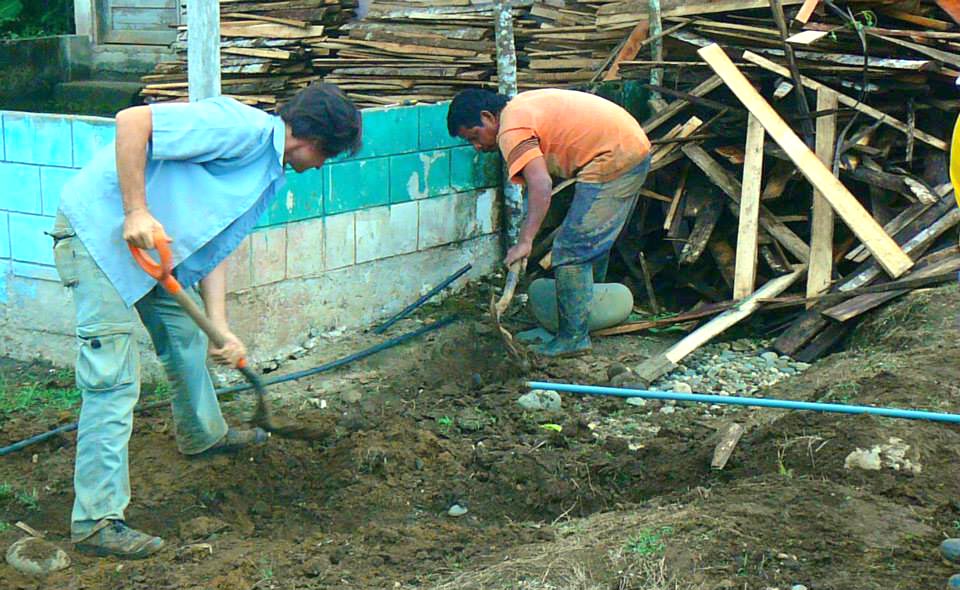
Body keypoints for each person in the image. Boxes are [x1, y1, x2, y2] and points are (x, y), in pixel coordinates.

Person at [49, 83, 361, 559]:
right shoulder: (242, 129)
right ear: (313, 139)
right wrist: (136, 210)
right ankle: (97, 522)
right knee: (112, 380)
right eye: (327, 157)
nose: (320, 167)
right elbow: (133, 121)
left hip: (152, 256)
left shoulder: (268, 173)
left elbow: (213, 246)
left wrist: (219, 323)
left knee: (188, 339)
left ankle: (202, 434)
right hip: (100, 237)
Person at [446, 88, 651, 357]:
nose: (477, 146)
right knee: (589, 243)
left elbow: (541, 184)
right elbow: (537, 185)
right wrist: (526, 237)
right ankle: (585, 321)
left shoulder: (510, 129)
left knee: (571, 250)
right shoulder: (519, 108)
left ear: (488, 117)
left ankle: (573, 338)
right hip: (625, 147)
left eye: (475, 136)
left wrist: (525, 241)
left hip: (614, 157)